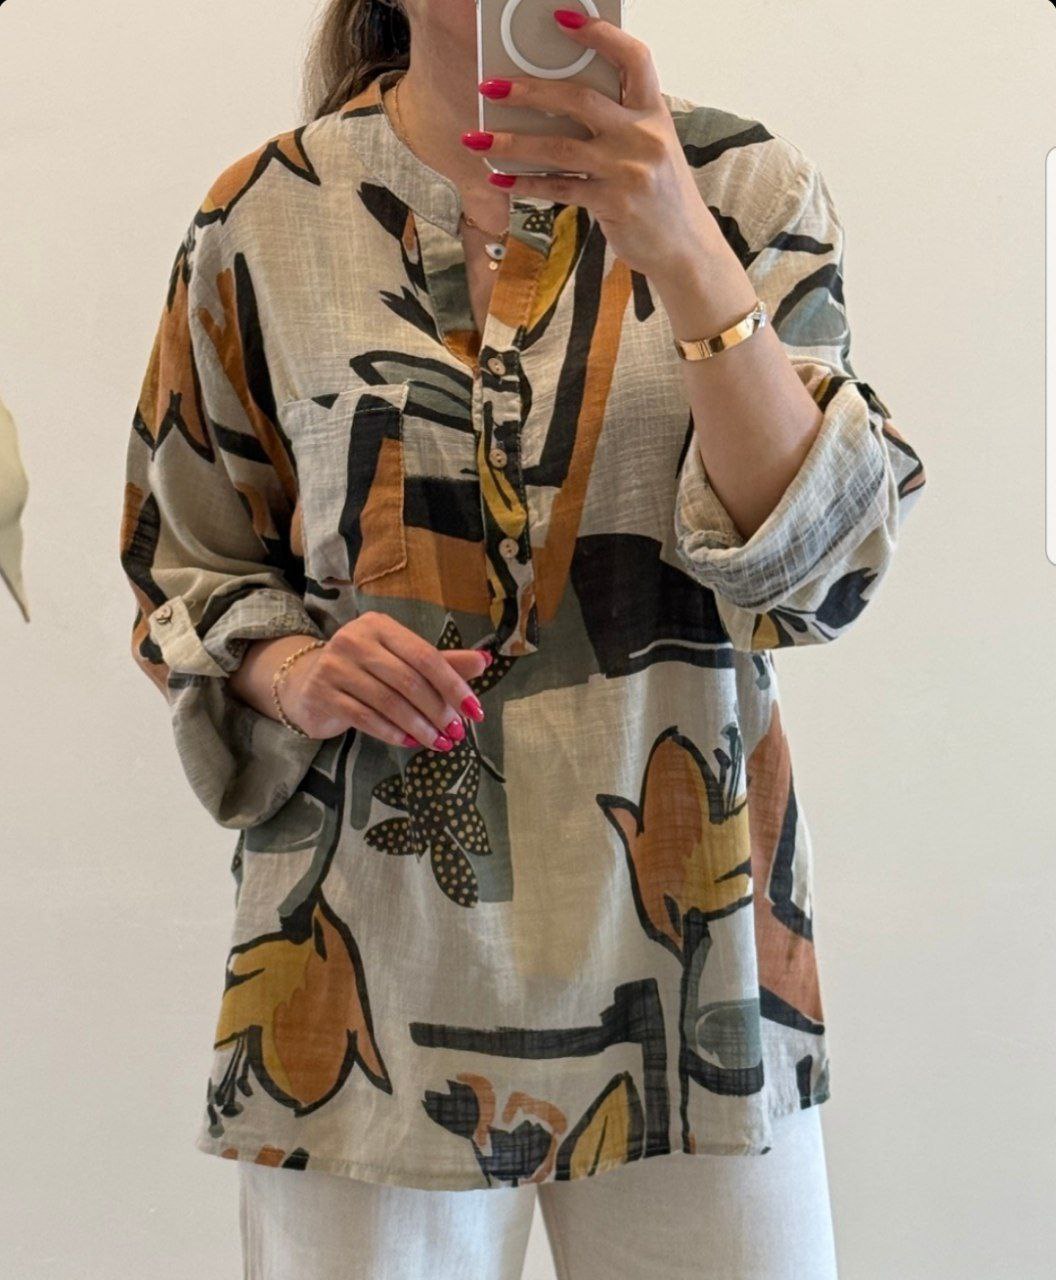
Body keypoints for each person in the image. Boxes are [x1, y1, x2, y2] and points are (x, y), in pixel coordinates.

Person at [118, 2, 926, 1276]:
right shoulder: (263, 215)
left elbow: (821, 565)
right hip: (364, 968)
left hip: (692, 953)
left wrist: (686, 251)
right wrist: (299, 672)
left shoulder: (742, 187)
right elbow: (189, 559)